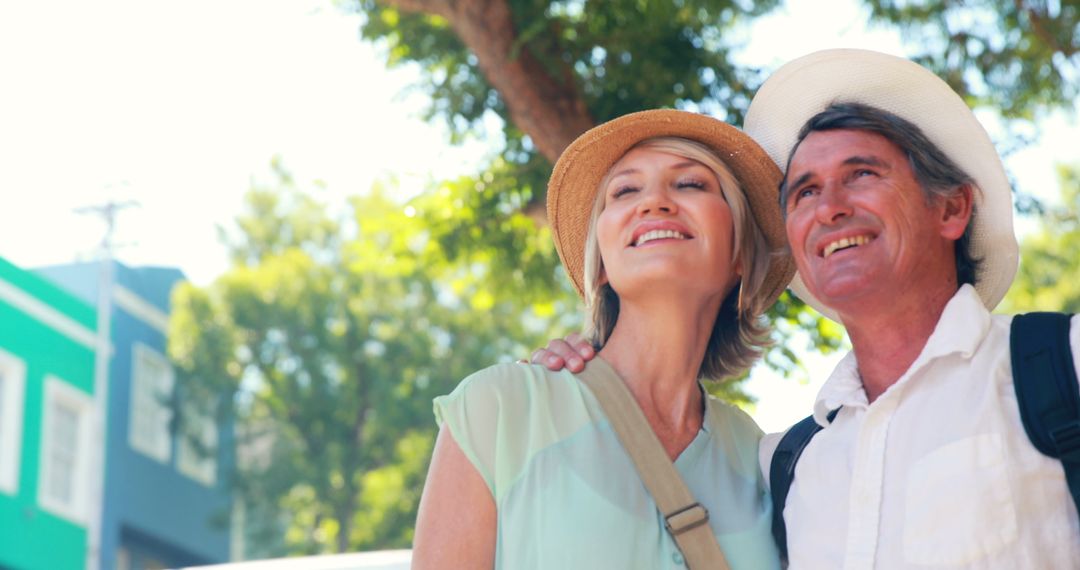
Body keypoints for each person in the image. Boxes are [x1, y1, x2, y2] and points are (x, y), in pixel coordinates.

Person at [533, 49, 1080, 568]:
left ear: (951, 208)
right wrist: (579, 381)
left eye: (862, 174)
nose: (829, 209)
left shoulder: (1063, 368)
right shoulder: (784, 466)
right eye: (804, 193)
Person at [411, 109, 796, 569]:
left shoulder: (757, 455)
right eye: (626, 190)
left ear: (740, 252)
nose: (654, 202)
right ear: (603, 265)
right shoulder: (500, 408)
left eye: (691, 184)